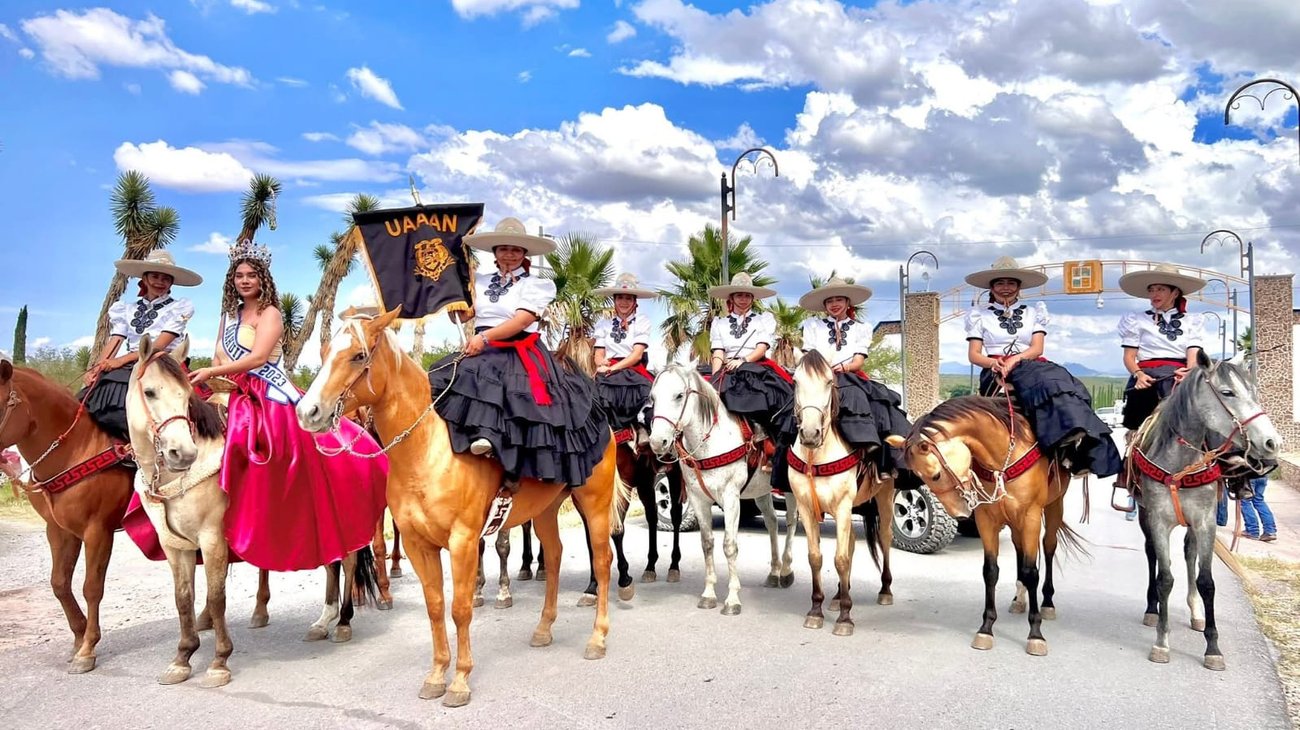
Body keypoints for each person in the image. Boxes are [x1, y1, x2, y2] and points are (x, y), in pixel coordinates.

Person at [185, 239, 387, 571]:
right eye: (239, 275)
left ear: (263, 279)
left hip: (268, 392)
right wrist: (215, 380)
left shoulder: (271, 313)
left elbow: (259, 357)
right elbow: (220, 354)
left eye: (252, 274)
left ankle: (276, 508)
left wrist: (214, 371)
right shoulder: (228, 315)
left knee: (268, 444)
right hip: (231, 388)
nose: (245, 280)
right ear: (231, 281)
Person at [428, 218, 610, 491]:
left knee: (518, 398)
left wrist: (485, 337)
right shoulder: (479, 280)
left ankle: (510, 465)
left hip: (517, 348)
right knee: (440, 377)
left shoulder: (536, 284)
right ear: (495, 251)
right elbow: (467, 313)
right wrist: (455, 305)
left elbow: (522, 321)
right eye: (504, 249)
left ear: (524, 253)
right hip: (481, 346)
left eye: (515, 250)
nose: (509, 254)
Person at [964, 256, 1121, 477]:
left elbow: (1037, 348)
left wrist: (1015, 360)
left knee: (1066, 383)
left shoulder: (1033, 312)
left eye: (1011, 283)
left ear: (1019, 287)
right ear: (992, 287)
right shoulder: (979, 315)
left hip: (1030, 363)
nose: (1006, 288)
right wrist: (994, 363)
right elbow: (974, 355)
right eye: (1000, 283)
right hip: (995, 369)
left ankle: (1074, 445)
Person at [797, 276, 920, 488]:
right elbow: (809, 357)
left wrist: (841, 368)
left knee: (878, 405)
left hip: (847, 374)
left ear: (847, 303)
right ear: (824, 305)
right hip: (818, 377)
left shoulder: (859, 328)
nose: (834, 304)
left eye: (839, 299)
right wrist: (823, 371)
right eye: (829, 301)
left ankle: (877, 455)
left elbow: (858, 361)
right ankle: (782, 462)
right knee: (795, 403)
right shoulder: (813, 326)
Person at [80, 250, 201, 442]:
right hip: (129, 364)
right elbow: (116, 339)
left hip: (163, 363)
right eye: (154, 276)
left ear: (171, 283)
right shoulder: (127, 309)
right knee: (88, 398)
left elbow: (160, 345)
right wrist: (97, 368)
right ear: (144, 278)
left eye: (165, 278)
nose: (159, 282)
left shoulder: (178, 308)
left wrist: (121, 360)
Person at [707, 272, 795, 477]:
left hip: (754, 364)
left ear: (752, 298)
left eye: (747, 295)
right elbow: (718, 352)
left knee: (765, 394)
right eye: (739, 295)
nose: (743, 299)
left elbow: (762, 348)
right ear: (732, 298)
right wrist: (715, 377)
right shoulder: (720, 323)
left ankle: (768, 440)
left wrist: (743, 361)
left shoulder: (763, 319)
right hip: (727, 366)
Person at [591, 273, 656, 441]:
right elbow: (598, 353)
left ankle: (650, 440)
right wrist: (601, 363)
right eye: (620, 298)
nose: (624, 302)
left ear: (635, 301)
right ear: (614, 300)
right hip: (607, 370)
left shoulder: (642, 321)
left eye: (628, 298)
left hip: (632, 370)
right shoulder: (603, 323)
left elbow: (636, 355)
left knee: (653, 403)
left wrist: (612, 368)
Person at [1242, 475, 1278, 542]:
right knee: (1259, 501)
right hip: (1263, 474)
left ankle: (1252, 531)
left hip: (1249, 475)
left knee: (1245, 501)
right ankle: (1270, 531)